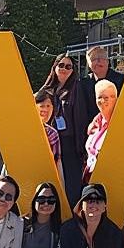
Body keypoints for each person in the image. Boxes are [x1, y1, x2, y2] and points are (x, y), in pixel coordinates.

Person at [39, 53, 84, 205]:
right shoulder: (46, 89)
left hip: (69, 143)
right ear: (55, 67)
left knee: (71, 185)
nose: (64, 69)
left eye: (69, 66)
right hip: (49, 141)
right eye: (61, 65)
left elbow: (80, 117)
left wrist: (80, 146)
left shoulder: (76, 88)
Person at [80, 46, 124, 124]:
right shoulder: (83, 83)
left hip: (118, 124)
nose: (98, 61)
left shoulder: (122, 80)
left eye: (102, 57)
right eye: (93, 59)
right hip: (94, 129)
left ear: (107, 61)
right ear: (89, 64)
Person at [83, 79, 118, 178]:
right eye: (99, 97)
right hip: (91, 177)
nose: (102, 101)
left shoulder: (119, 124)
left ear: (115, 98)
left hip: (111, 178)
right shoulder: (96, 123)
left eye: (107, 98)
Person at [35, 90, 62, 167]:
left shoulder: (52, 133)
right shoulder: (24, 129)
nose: (46, 110)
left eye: (48, 106)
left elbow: (57, 160)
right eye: (42, 106)